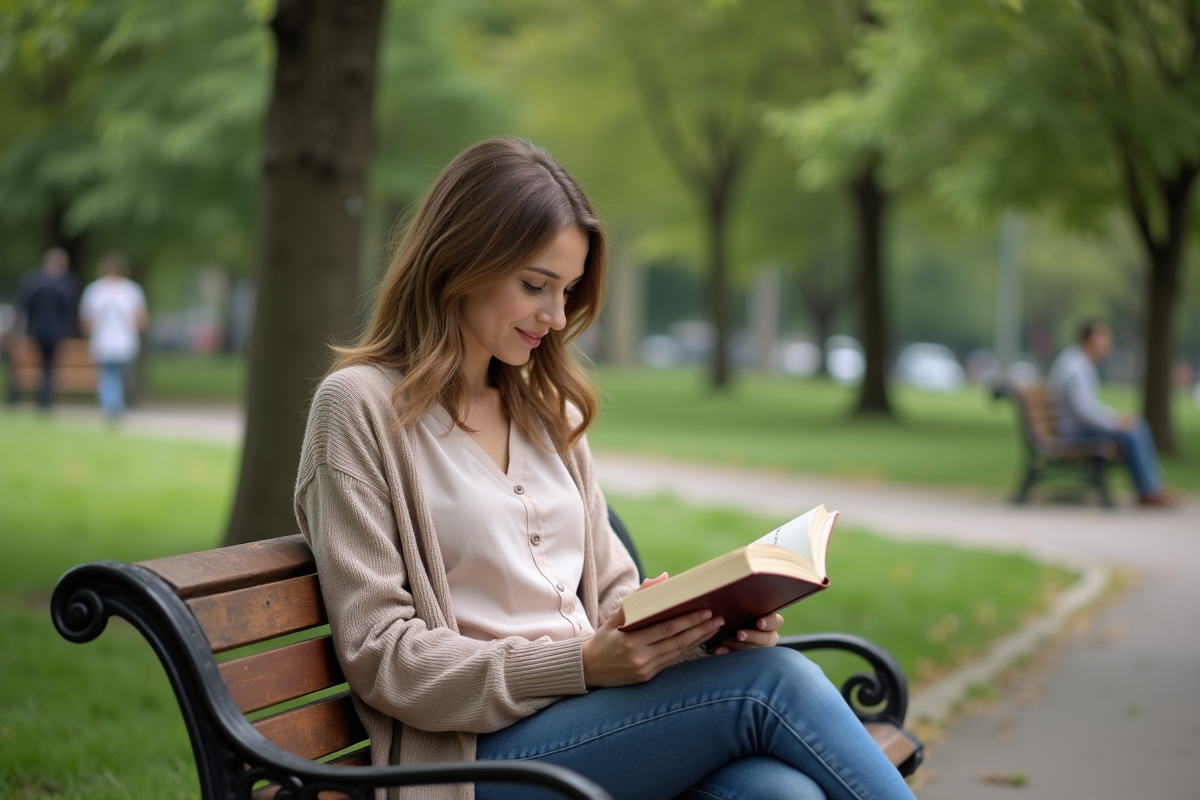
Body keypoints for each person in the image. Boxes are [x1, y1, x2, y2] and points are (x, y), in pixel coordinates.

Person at [294, 138, 916, 800]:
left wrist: (700, 633)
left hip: (594, 722)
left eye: (565, 292)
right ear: (460, 261)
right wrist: (580, 663)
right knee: (776, 685)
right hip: (471, 759)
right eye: (535, 286)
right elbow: (382, 655)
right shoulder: (359, 406)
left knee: (777, 795)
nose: (556, 317)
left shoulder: (545, 410)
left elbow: (616, 592)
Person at [1048, 321, 1178, 507]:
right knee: (1133, 430)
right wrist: (1114, 422)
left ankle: (1149, 488)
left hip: (1076, 429)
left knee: (1133, 426)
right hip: (1072, 434)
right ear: (1089, 339)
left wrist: (1116, 419)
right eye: (1104, 337)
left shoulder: (1079, 362)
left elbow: (1087, 408)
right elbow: (1083, 411)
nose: (1109, 342)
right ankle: (1149, 489)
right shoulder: (1075, 367)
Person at [79, 253, 148, 420]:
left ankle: (112, 404)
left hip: (103, 341)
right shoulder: (131, 290)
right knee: (114, 374)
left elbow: (86, 321)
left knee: (108, 375)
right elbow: (141, 319)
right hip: (125, 342)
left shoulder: (95, 290)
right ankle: (114, 404)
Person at [14, 247, 77, 408]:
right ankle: (45, 400)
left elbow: (23, 306)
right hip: (57, 331)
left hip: (35, 330)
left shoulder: (34, 281)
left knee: (37, 365)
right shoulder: (66, 284)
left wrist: (20, 329)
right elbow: (70, 310)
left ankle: (32, 397)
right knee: (49, 366)